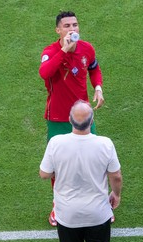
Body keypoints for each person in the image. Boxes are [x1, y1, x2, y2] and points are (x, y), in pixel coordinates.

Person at [39, 11, 105, 226]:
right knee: (57, 166)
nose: (72, 29)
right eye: (67, 26)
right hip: (58, 118)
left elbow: (94, 69)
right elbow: (45, 73)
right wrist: (64, 51)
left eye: (75, 25)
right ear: (58, 30)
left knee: (95, 160)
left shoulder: (87, 48)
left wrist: (98, 87)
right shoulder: (50, 51)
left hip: (84, 115)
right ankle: (58, 207)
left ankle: (102, 202)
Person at [39, 100, 122, 242]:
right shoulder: (105, 144)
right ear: (91, 122)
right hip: (98, 214)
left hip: (67, 215)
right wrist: (116, 195)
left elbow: (44, 174)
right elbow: (116, 176)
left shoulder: (56, 143)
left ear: (70, 120)